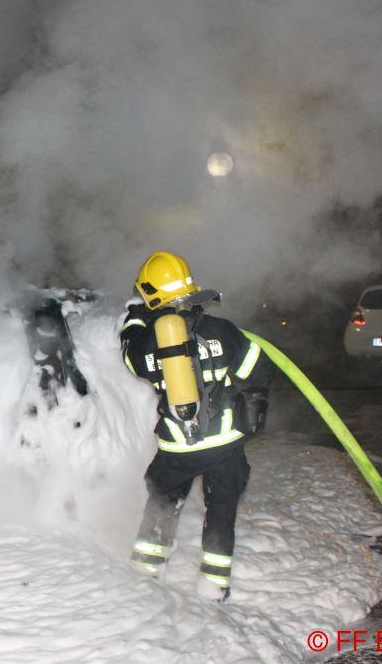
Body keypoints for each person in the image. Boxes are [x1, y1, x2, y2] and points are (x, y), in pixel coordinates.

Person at [120, 251, 273, 602]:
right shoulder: (221, 330)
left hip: (177, 446)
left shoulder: (146, 343)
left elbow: (129, 356)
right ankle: (214, 585)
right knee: (221, 512)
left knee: (162, 504)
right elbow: (259, 371)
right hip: (224, 444)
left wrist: (135, 319)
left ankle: (145, 574)